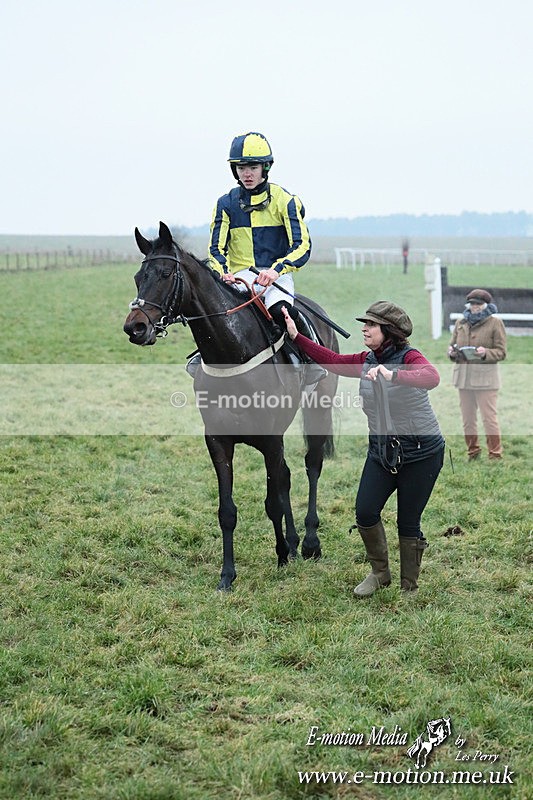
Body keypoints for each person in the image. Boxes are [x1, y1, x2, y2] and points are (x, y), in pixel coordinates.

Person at [282, 300, 445, 596]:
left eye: (371, 325)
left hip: (421, 453)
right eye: (365, 323)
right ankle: (380, 574)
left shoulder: (409, 357)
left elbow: (431, 377)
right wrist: (297, 337)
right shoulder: (367, 359)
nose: (365, 328)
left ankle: (409, 586)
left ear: (389, 331)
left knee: (408, 521)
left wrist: (392, 375)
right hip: (382, 452)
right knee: (365, 512)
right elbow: (330, 359)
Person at [200, 131, 325, 384]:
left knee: (282, 312)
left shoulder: (285, 201)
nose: (247, 173)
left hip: (274, 277)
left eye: (253, 167)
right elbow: (215, 249)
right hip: (237, 278)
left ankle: (308, 362)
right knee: (213, 315)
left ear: (265, 167)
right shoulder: (225, 204)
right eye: (242, 167)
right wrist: (223, 271)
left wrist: (276, 270)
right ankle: (200, 360)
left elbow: (302, 245)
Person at [447, 289, 507, 460]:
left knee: (489, 419)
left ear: (486, 305)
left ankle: (495, 455)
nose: (475, 307)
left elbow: (502, 352)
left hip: (486, 381)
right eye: (472, 304)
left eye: (478, 304)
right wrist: (451, 352)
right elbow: (452, 346)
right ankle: (473, 452)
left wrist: (485, 353)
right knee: (468, 420)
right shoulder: (461, 322)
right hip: (463, 379)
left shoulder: (495, 323)